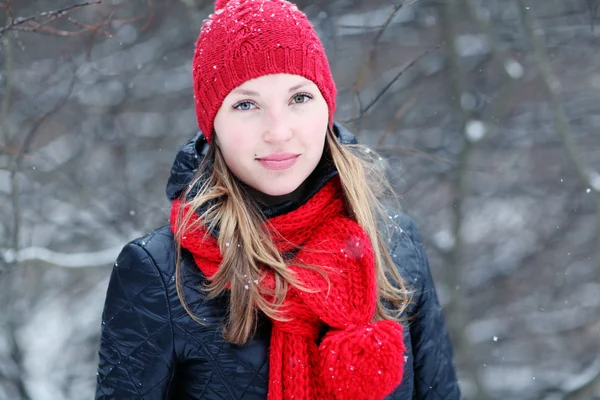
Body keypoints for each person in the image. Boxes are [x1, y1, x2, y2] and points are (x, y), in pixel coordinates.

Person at [94, 0, 461, 398]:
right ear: (212, 124)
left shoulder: (394, 243)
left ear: (326, 108)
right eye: (246, 104)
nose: (279, 131)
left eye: (299, 98)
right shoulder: (159, 272)